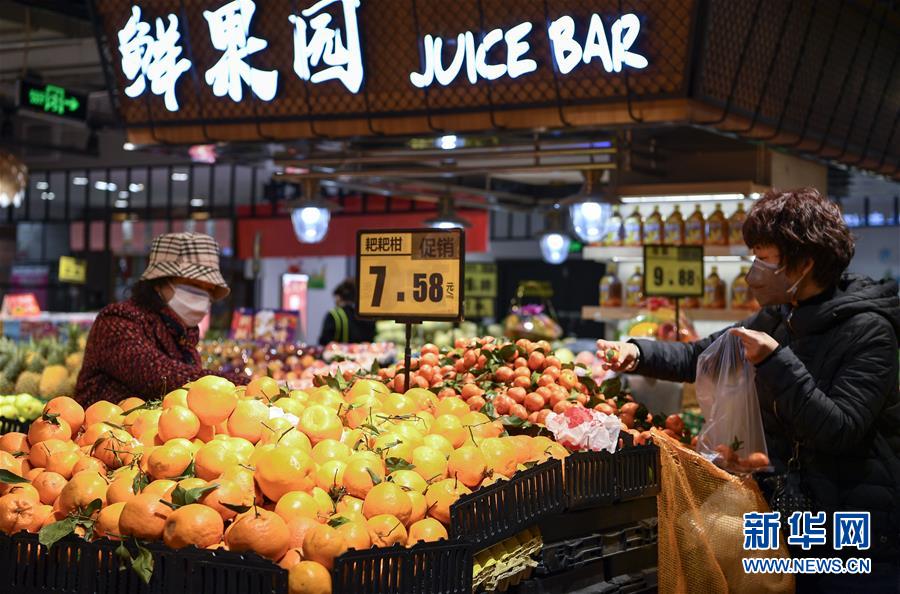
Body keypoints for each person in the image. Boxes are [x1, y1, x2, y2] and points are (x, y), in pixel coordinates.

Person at [598, 188, 900, 592]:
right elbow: (701, 356)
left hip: (854, 528)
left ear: (805, 263)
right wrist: (636, 352)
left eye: (764, 257)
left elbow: (839, 429)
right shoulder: (778, 317)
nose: (753, 270)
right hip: (789, 517)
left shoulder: (871, 332)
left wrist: (775, 361)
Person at [76, 232, 249, 406]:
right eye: (194, 285)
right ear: (160, 283)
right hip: (103, 422)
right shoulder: (118, 320)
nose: (202, 296)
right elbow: (160, 376)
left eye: (209, 289)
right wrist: (243, 385)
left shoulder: (182, 336)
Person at [318, 279, 376, 345]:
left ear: (339, 297)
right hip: (365, 351)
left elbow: (324, 341)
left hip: (339, 351)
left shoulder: (334, 315)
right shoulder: (366, 315)